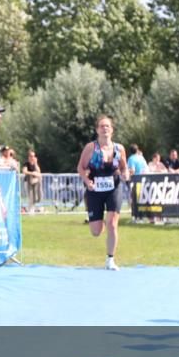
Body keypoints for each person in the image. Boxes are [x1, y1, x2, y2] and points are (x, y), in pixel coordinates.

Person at [76, 115, 129, 271]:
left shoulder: (119, 149)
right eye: (102, 126)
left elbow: (123, 167)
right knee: (96, 231)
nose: (105, 128)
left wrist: (125, 174)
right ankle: (102, 222)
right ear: (97, 130)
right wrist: (87, 181)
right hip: (95, 190)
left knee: (113, 224)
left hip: (114, 187)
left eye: (107, 126)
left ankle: (110, 260)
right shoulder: (90, 148)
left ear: (112, 130)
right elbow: (80, 168)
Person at [23, 150, 42, 214]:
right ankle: (30, 210)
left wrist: (36, 163)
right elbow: (24, 171)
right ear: (28, 157)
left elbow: (39, 171)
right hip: (28, 182)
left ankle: (32, 208)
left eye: (33, 156)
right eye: (31, 156)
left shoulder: (35, 164)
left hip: (35, 181)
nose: (32, 157)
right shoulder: (26, 164)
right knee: (31, 197)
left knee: (38, 197)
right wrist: (32, 173)